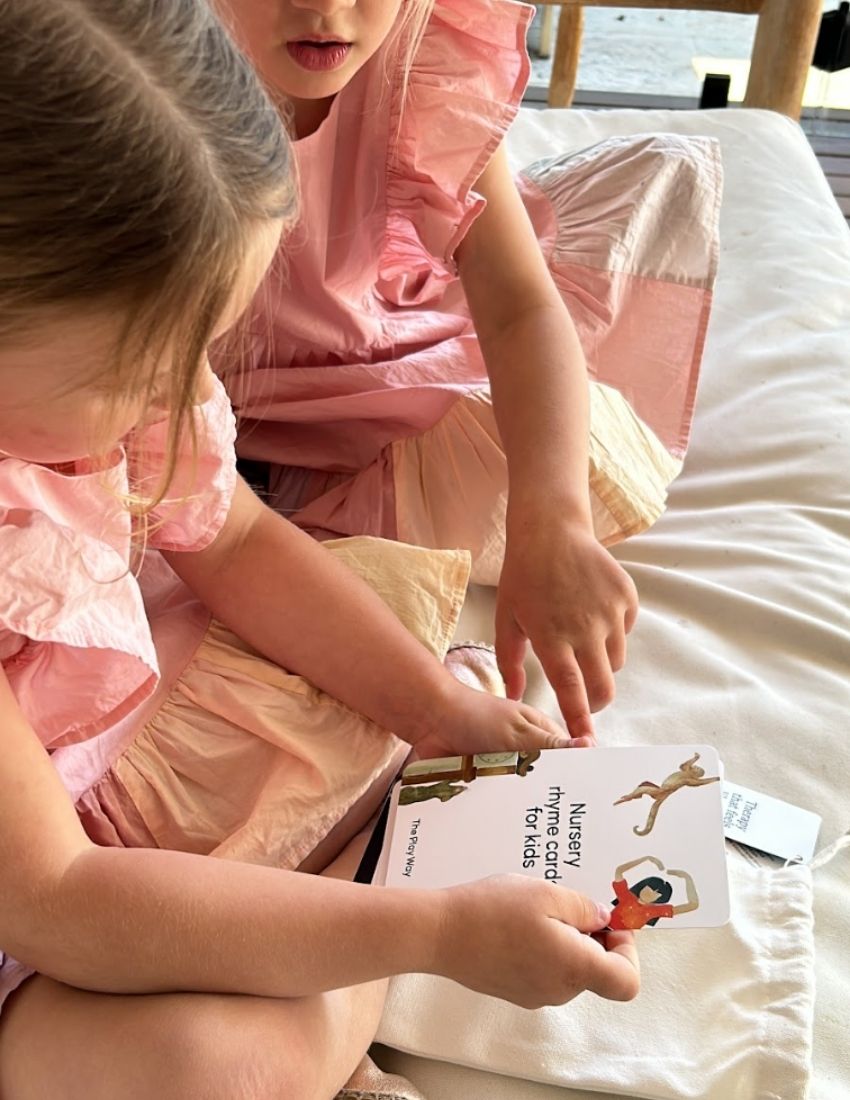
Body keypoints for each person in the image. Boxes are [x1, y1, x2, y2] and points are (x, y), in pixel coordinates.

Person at [0, 4, 640, 1099]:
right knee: (195, 1072)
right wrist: (430, 929)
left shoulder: (109, 386)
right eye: (141, 362)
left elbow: (237, 538)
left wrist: (444, 717)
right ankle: (344, 984)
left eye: (196, 346)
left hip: (80, 778)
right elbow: (55, 897)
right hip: (44, 887)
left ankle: (347, 922)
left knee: (353, 677)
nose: (176, 391)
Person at [216, 0, 721, 742]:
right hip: (211, 392)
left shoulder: (418, 56)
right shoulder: (153, 90)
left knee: (566, 452)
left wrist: (553, 523)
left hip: (377, 345)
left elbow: (519, 304)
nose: (324, 9)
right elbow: (190, 487)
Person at [609, 857, 700, 931]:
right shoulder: (626, 897)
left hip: (620, 940)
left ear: (660, 898)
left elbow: (693, 905)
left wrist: (687, 878)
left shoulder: (654, 911)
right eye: (650, 888)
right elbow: (619, 871)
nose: (650, 893)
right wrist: (646, 859)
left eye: (657, 893)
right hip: (602, 929)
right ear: (643, 886)